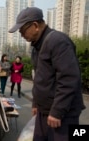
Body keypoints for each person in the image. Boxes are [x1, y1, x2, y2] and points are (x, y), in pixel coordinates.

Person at [9, 7, 85, 140]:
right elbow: (39, 79)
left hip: (63, 114)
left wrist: (57, 111)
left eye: (22, 31)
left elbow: (68, 79)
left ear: (35, 25)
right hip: (44, 111)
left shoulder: (58, 41)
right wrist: (36, 104)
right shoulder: (36, 47)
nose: (21, 35)